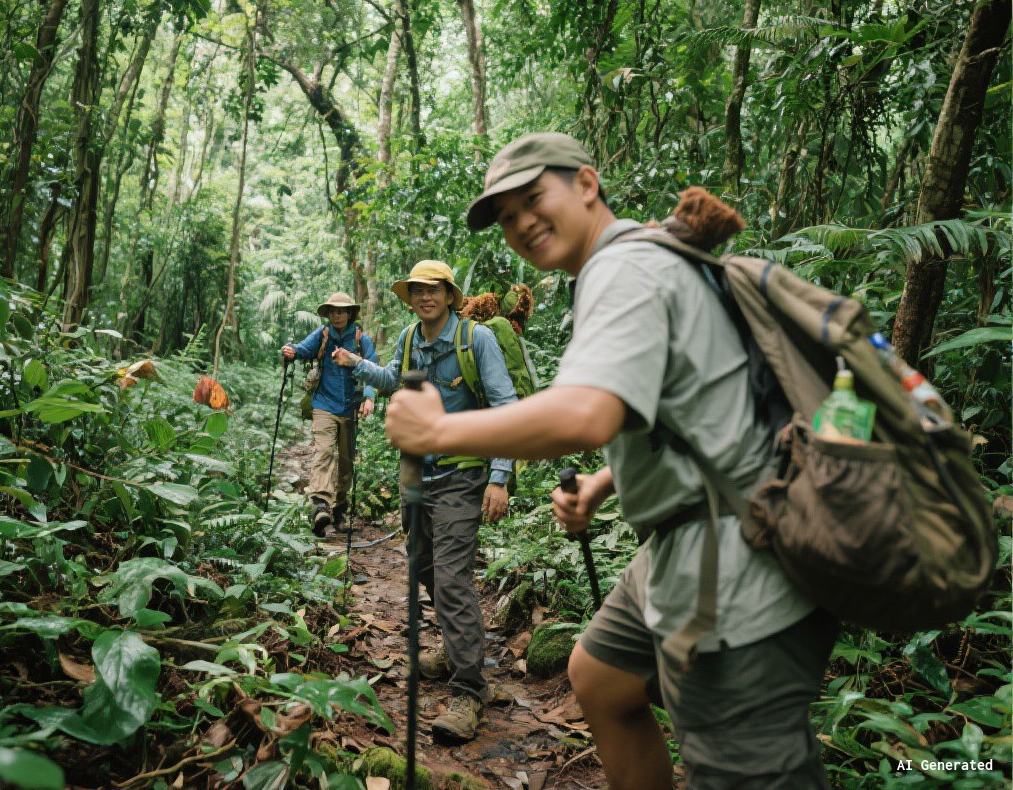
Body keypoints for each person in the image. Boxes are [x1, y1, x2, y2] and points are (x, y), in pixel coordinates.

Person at [383, 133, 837, 789]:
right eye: (506, 217)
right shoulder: (637, 262)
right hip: (691, 537)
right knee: (601, 676)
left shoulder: (622, 268)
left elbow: (585, 414)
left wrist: (437, 431)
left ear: (587, 185)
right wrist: (603, 481)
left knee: (749, 771)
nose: (522, 224)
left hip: (740, 559)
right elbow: (688, 408)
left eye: (534, 199)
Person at [332, 260, 518, 746]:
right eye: (416, 290)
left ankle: (469, 690)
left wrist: (500, 477)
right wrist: (358, 367)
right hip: (416, 469)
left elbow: (506, 406)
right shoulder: (411, 337)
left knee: (453, 576)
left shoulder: (477, 341)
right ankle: (461, 650)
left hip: (462, 473)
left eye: (433, 289)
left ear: (450, 294)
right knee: (422, 565)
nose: (424, 297)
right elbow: (397, 380)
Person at [281, 292, 376, 538]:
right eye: (333, 311)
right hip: (323, 404)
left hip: (350, 408)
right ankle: (321, 505)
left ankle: (340, 510)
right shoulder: (323, 335)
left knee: (346, 462)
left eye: (342, 311)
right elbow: (303, 349)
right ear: (329, 314)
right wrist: (291, 351)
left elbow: (373, 369)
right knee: (324, 451)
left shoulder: (361, 340)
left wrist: (369, 397)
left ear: (349, 314)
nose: (337, 315)